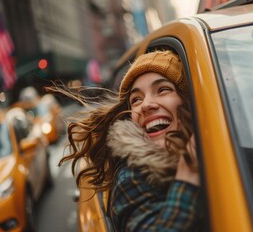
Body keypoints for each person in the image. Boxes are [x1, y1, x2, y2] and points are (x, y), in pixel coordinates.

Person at [48, 50, 201, 231]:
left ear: (187, 100)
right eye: (136, 99)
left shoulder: (222, 144)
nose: (146, 105)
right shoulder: (130, 174)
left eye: (162, 90)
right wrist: (187, 179)